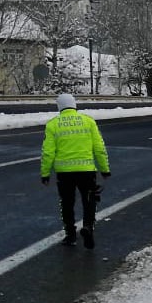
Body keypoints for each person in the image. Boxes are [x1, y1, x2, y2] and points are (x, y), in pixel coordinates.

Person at [40, 93, 110, 248]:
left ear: (59, 106)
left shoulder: (53, 125)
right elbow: (99, 148)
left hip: (64, 173)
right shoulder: (88, 121)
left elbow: (48, 152)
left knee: (66, 203)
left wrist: (45, 173)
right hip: (86, 170)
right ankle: (88, 226)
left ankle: (70, 235)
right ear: (74, 104)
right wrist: (104, 169)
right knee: (90, 199)